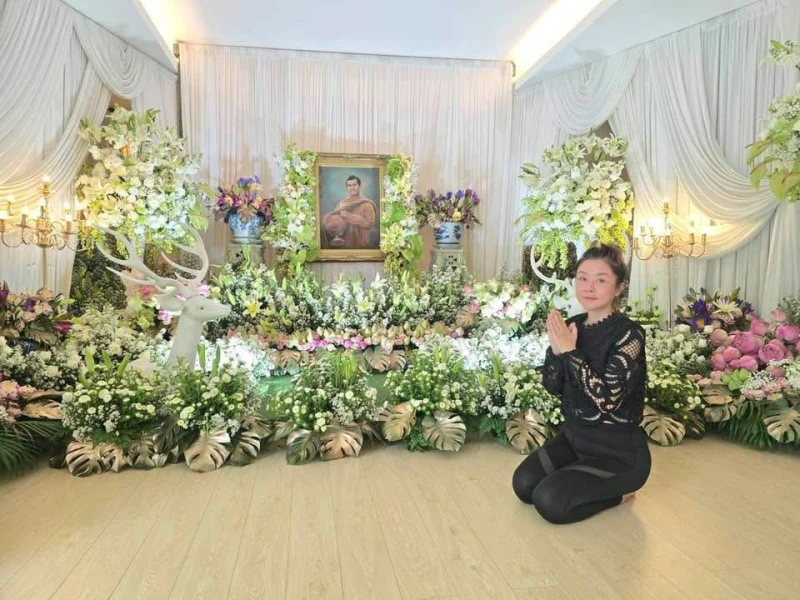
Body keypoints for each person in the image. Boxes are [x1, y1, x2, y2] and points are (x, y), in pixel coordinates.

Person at [512, 243, 651, 524]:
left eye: (601, 280)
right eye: (583, 278)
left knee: (549, 501)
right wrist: (556, 353)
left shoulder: (629, 334)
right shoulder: (572, 326)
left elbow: (608, 400)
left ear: (619, 288)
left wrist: (570, 352)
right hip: (574, 439)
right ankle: (575, 474)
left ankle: (621, 493)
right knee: (524, 485)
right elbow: (553, 387)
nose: (589, 287)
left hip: (617, 454)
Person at [321, 175, 378, 249]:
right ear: (347, 188)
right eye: (349, 185)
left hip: (361, 244)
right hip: (344, 243)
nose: (352, 188)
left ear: (360, 186)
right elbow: (336, 223)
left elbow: (369, 225)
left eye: (354, 185)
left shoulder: (367, 204)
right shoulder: (342, 203)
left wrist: (349, 217)